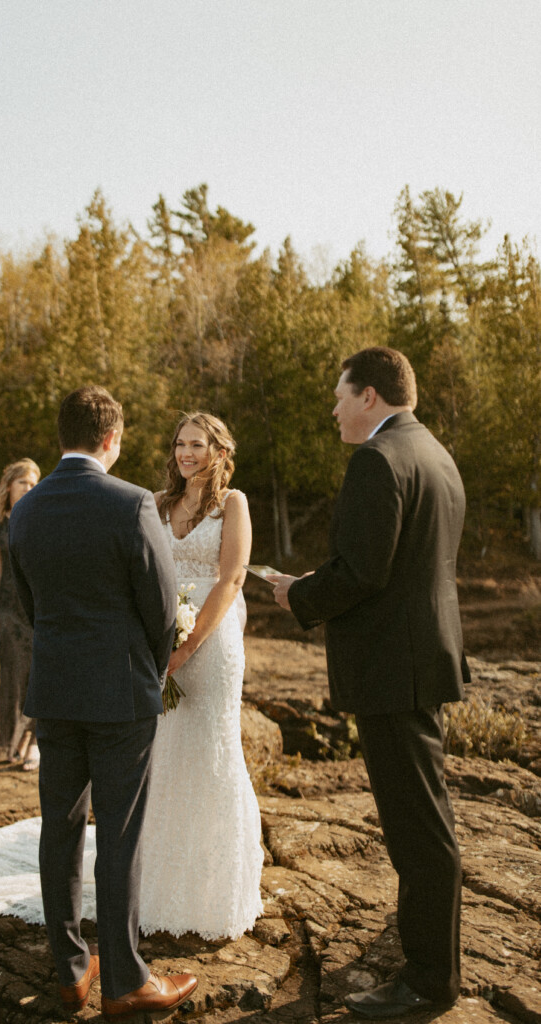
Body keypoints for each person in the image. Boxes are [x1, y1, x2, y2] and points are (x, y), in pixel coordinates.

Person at [269, 347, 468, 1019]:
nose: (332, 409)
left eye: (338, 395)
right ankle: (427, 956)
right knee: (422, 819)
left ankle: (429, 980)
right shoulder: (435, 455)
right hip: (420, 660)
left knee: (417, 828)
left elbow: (361, 572)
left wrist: (296, 592)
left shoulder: (377, 461)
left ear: (370, 397)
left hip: (391, 668)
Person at [8, 385, 197, 1019]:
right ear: (112, 439)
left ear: (61, 434)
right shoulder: (133, 502)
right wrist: (143, 663)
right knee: (119, 833)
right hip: (120, 693)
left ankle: (68, 971)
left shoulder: (27, 508)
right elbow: (163, 607)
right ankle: (123, 978)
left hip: (55, 691)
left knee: (58, 828)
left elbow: (28, 606)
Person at [139, 412, 263, 940]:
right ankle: (153, 885)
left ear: (218, 449)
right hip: (159, 637)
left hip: (210, 645)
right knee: (162, 755)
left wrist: (187, 648)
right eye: (180, 444)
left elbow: (232, 578)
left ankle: (213, 892)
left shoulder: (232, 503)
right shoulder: (158, 503)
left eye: (197, 444)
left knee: (212, 754)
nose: (186, 452)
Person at [0, 458, 41, 770]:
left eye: (34, 483)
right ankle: (10, 739)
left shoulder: (43, 516)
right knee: (12, 677)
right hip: (8, 607)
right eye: (24, 482)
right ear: (9, 485)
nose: (29, 488)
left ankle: (34, 743)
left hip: (37, 606)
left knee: (37, 675)